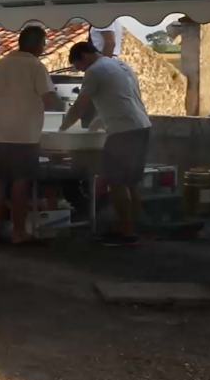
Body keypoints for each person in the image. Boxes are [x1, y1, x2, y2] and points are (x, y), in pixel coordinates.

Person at [60, 42, 152, 246]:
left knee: (116, 181)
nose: (82, 71)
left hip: (123, 130)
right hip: (141, 125)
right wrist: (99, 121)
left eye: (79, 66)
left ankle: (126, 233)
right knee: (130, 181)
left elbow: (79, 107)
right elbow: (123, 98)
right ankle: (133, 228)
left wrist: (61, 130)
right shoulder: (120, 65)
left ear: (84, 56)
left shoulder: (95, 71)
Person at [0, 26, 64, 244]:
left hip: (1, 132)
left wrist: (6, 107)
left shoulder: (1, 64)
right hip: (25, 135)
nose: (44, 47)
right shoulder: (35, 65)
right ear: (37, 43)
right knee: (21, 181)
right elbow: (49, 99)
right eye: (44, 43)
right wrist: (63, 106)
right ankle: (19, 232)